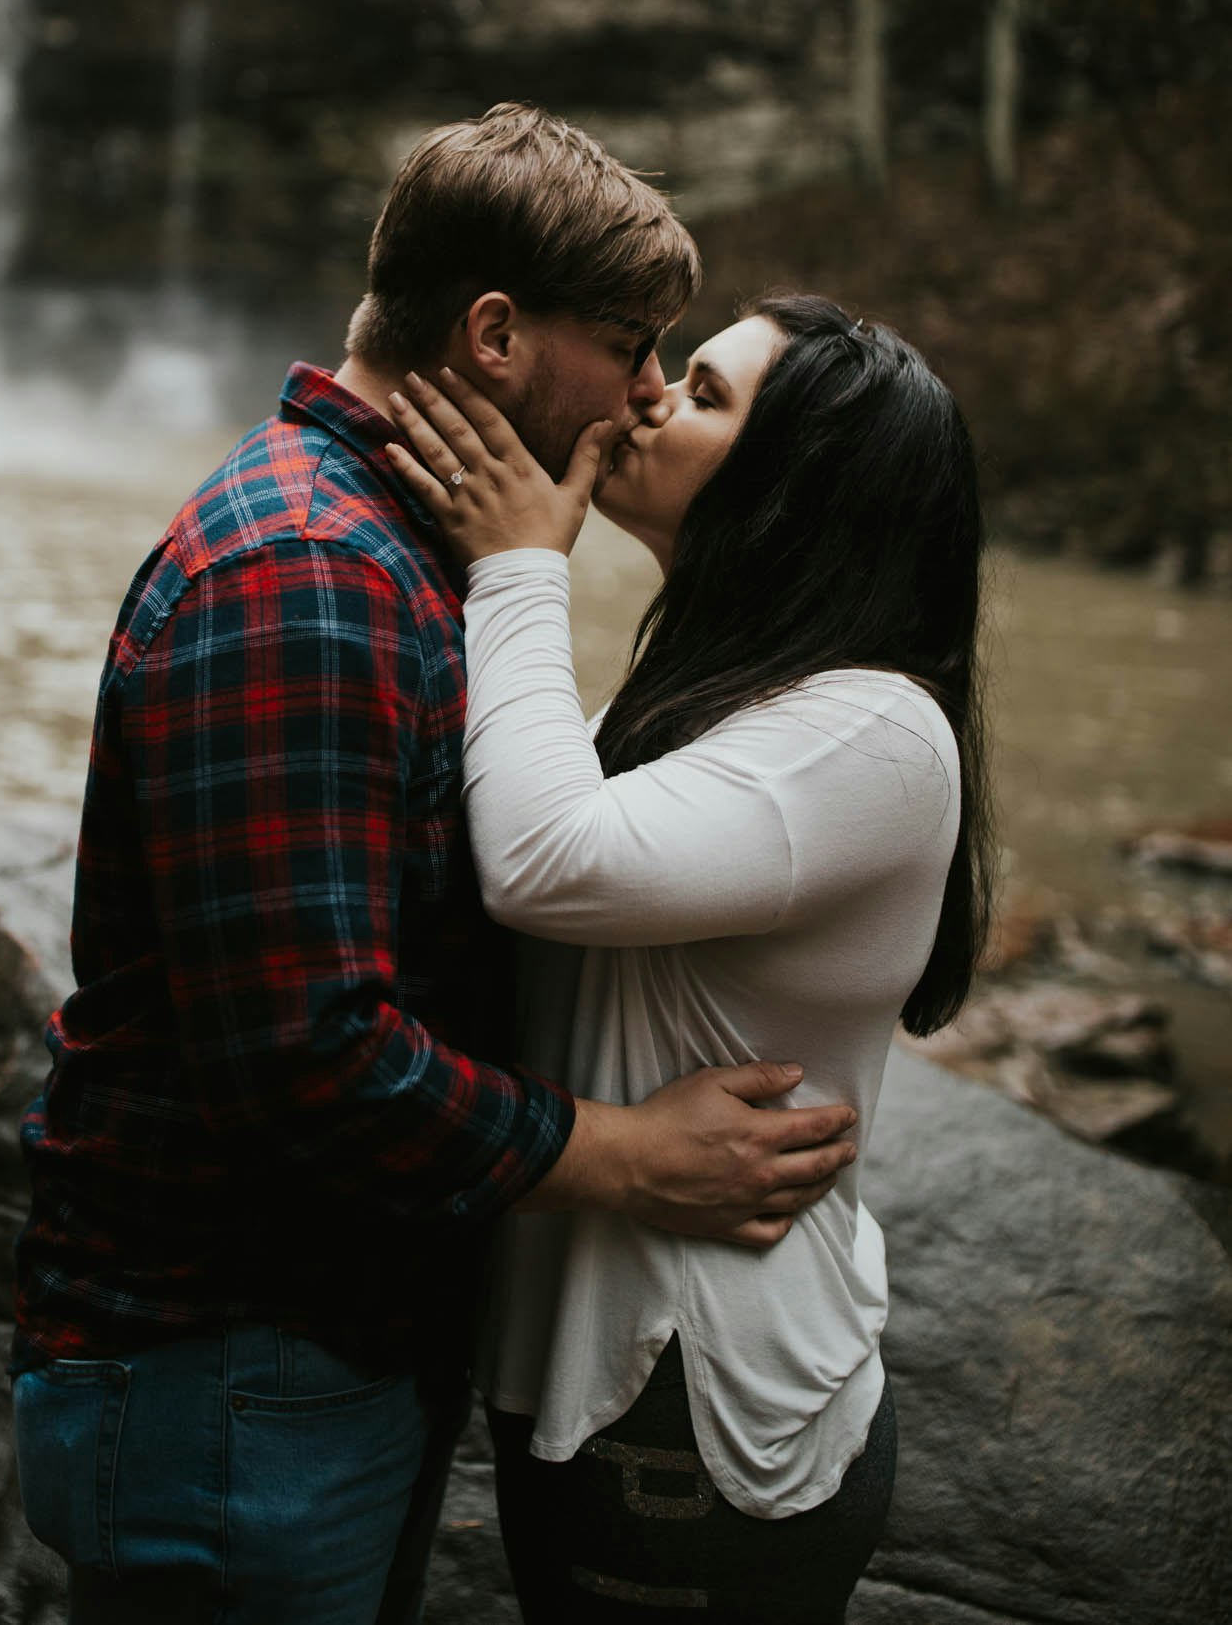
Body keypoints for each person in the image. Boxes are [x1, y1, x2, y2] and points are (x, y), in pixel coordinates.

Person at [10, 110, 862, 1625]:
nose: (652, 390)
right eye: (628, 340)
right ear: (491, 334)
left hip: (306, 1357)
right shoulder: (308, 573)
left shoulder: (400, 554)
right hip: (235, 1359)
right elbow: (308, 1056)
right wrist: (632, 1153)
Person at [384, 292, 993, 1625]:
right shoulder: (721, 698)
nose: (651, 397)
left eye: (707, 393)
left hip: (703, 1402)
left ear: (798, 490)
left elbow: (545, 860)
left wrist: (519, 560)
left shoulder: (876, 728)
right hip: (599, 1373)